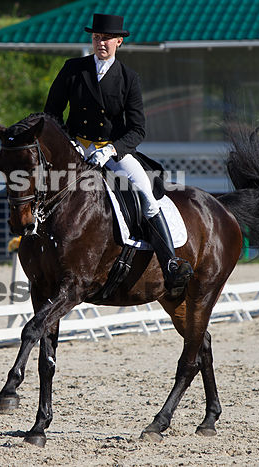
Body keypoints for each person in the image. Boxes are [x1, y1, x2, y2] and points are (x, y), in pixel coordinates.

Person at [44, 13, 192, 297]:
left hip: (112, 151)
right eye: (97, 37)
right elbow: (51, 113)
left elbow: (137, 129)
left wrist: (110, 150)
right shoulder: (73, 69)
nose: (101, 43)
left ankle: (170, 263)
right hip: (75, 148)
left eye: (107, 39)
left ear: (119, 42)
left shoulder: (128, 78)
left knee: (146, 195)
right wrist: (69, 143)